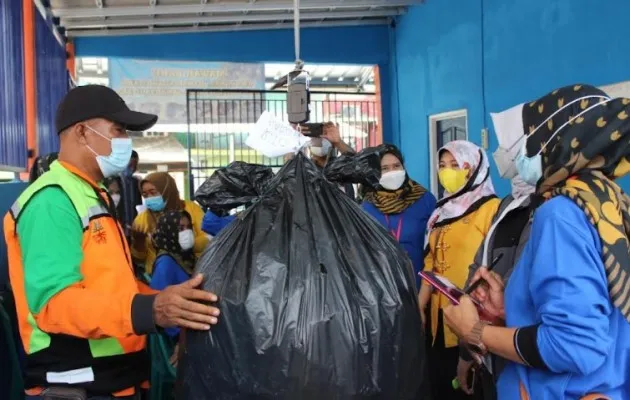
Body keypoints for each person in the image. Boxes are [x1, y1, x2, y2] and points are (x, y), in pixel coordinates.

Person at [3, 85, 221, 399]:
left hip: (116, 379)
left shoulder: (93, 194)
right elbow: (55, 304)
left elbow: (116, 287)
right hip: (77, 384)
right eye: (117, 130)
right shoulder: (52, 202)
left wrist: (170, 302)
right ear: (81, 132)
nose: (124, 141)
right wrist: (151, 309)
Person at [444, 84, 630, 400]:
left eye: (532, 141)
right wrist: (512, 308)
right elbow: (595, 309)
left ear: (558, 142)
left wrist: (476, 332)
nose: (523, 154)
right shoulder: (607, 201)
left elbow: (575, 347)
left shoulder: (561, 213)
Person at [418, 140, 500, 400]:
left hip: (474, 319)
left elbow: (495, 266)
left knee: (472, 387)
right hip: (439, 321)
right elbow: (430, 264)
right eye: (442, 165)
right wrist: (420, 305)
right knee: (442, 385)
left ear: (473, 168)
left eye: (455, 165)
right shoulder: (441, 211)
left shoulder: (491, 209)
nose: (447, 171)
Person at [362, 144, 437, 289]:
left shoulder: (425, 200)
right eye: (385, 168)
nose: (392, 172)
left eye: (397, 166)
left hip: (420, 285)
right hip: (383, 288)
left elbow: (435, 247)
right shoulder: (367, 206)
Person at [131, 172, 208, 275]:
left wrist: (188, 243)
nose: (149, 198)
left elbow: (208, 239)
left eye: (153, 192)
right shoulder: (142, 219)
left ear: (167, 190)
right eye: (145, 195)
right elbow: (139, 260)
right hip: (158, 276)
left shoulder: (191, 209)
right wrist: (138, 243)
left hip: (191, 273)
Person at [119, 150, 143, 238]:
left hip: (133, 230)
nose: (132, 168)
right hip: (119, 228)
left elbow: (138, 205)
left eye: (135, 165)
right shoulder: (114, 182)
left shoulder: (136, 182)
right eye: (130, 165)